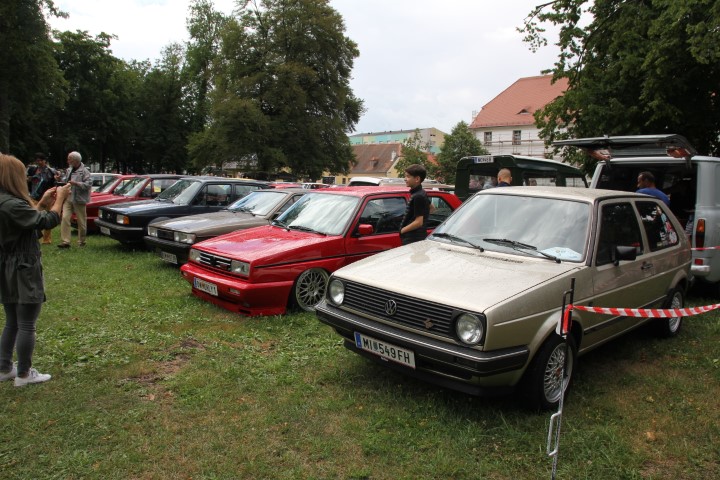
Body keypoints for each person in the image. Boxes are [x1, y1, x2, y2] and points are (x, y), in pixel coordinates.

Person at [0, 153, 71, 386]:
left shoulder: (5, 201)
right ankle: (23, 374)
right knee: (27, 323)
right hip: (23, 266)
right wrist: (60, 199)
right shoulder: (12, 203)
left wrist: (40, 203)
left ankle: (4, 368)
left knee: (12, 320)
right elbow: (47, 222)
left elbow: (25, 225)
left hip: (7, 265)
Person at [58, 151, 92, 248]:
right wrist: (58, 179)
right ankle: (65, 242)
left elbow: (88, 185)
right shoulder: (69, 170)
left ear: (76, 160)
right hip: (69, 198)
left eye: (69, 159)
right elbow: (66, 181)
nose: (68, 161)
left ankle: (82, 241)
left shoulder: (85, 171)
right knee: (64, 218)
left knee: (81, 222)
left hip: (79, 199)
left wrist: (76, 183)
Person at [26, 153, 57, 244]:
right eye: (37, 160)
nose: (39, 162)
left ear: (45, 161)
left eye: (40, 160)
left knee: (47, 217)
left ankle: (47, 240)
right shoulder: (33, 170)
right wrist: (29, 179)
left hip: (47, 197)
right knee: (34, 217)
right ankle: (35, 236)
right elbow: (27, 180)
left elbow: (55, 183)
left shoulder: (51, 171)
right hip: (34, 197)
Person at [399, 164, 431, 245]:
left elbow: (418, 222)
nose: (405, 179)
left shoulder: (418, 196)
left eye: (408, 176)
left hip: (413, 239)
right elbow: (432, 208)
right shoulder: (421, 193)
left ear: (417, 179)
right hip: (417, 237)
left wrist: (402, 230)